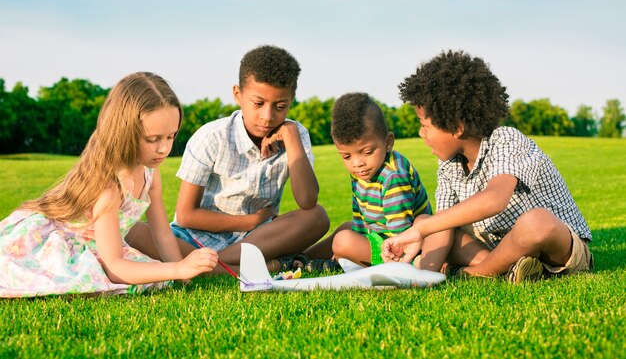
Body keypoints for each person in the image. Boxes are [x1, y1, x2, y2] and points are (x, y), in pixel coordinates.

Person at [381, 50, 593, 283]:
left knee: (536, 222)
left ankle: (474, 274)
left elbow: (495, 198)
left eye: (425, 125)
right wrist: (423, 274)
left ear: (456, 127)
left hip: (557, 248)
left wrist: (421, 232)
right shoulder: (448, 164)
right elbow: (442, 224)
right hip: (497, 246)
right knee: (430, 223)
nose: (421, 134)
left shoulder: (506, 140)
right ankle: (505, 268)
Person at [0, 72, 218, 298]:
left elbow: (162, 233)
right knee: (95, 280)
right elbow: (114, 266)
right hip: (55, 242)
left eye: (171, 136)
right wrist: (176, 268)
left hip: (101, 246)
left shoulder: (150, 172)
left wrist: (181, 273)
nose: (163, 149)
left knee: (153, 276)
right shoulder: (109, 183)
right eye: (153, 139)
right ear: (124, 131)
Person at [129, 45, 329, 274]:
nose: (268, 116)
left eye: (280, 106)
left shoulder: (296, 134)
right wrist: (250, 221)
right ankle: (243, 266)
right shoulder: (212, 137)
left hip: (258, 240)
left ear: (291, 101)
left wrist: (292, 137)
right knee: (134, 231)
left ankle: (212, 266)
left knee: (317, 217)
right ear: (237, 94)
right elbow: (186, 216)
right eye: (258, 103)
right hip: (194, 239)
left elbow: (307, 201)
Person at [303, 92, 436, 270]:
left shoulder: (393, 176)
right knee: (346, 228)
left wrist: (351, 248)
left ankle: (339, 261)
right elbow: (360, 216)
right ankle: (302, 259)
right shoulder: (361, 171)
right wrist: (357, 242)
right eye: (346, 156)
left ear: (388, 142)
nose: (358, 163)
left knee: (343, 241)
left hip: (404, 247)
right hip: (380, 234)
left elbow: (402, 235)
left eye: (367, 152)